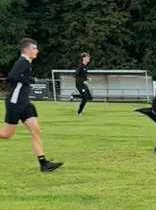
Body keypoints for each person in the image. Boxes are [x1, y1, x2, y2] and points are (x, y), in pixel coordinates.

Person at [0, 38, 63, 172]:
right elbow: (12, 77)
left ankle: (44, 164)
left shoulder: (27, 63)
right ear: (27, 50)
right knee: (6, 134)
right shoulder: (22, 62)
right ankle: (44, 164)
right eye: (34, 49)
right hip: (15, 103)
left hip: (25, 103)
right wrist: (30, 79)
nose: (37, 51)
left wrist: (28, 80)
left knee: (36, 130)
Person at [74, 52, 93, 116]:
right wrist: (82, 80)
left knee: (90, 97)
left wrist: (87, 78)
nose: (89, 59)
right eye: (87, 57)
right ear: (83, 58)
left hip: (83, 84)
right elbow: (77, 74)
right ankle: (79, 112)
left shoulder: (85, 67)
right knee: (85, 99)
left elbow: (83, 76)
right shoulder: (80, 66)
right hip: (79, 84)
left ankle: (74, 96)